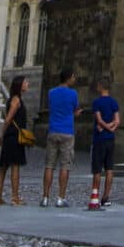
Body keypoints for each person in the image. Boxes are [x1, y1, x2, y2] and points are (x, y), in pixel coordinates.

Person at [40, 69, 78, 207]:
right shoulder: (73, 93)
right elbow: (74, 109)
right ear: (68, 79)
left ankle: (45, 197)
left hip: (53, 130)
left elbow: (52, 107)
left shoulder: (51, 92)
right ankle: (60, 197)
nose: (74, 79)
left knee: (49, 165)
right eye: (73, 77)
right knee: (65, 165)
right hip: (67, 131)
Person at [0, 75, 30, 206]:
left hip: (10, 136)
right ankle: (14, 197)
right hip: (14, 137)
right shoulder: (16, 100)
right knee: (14, 166)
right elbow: (8, 119)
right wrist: (1, 135)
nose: (27, 84)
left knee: (3, 167)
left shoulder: (13, 99)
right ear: (20, 85)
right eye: (26, 82)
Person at [89, 79, 120, 208]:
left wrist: (105, 127)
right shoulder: (113, 102)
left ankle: (95, 196)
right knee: (109, 169)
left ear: (101, 87)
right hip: (110, 138)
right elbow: (117, 120)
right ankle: (106, 197)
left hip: (99, 139)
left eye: (98, 85)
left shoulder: (97, 102)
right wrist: (111, 128)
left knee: (97, 169)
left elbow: (99, 119)